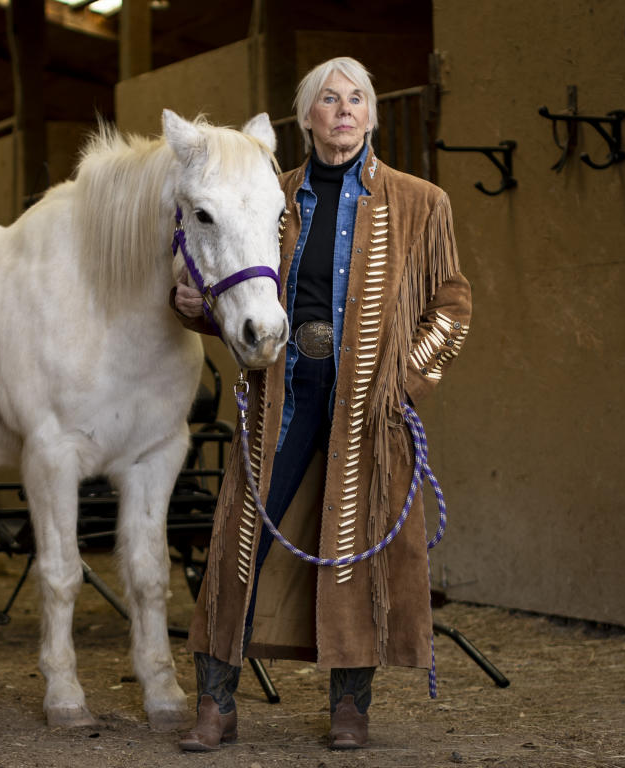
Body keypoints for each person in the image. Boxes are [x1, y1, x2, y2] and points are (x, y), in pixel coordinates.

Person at [171, 56, 473, 751]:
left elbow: (452, 306)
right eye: (329, 99)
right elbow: (225, 277)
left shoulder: (421, 201)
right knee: (237, 540)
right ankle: (216, 704)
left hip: (366, 396)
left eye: (357, 98)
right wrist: (188, 305)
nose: (344, 110)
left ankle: (350, 708)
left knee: (353, 544)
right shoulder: (266, 192)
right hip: (282, 386)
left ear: (369, 115)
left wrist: (405, 377)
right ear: (305, 117)